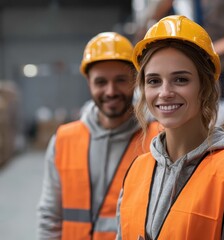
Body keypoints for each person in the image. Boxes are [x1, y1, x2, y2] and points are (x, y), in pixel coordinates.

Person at [116, 15, 224, 240]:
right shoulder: (136, 172)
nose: (165, 92)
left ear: (205, 87)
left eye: (180, 79)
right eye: (153, 81)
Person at [37, 32, 159, 239]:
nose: (111, 91)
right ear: (89, 83)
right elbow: (50, 216)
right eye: (101, 82)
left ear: (135, 81)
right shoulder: (64, 140)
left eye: (121, 80)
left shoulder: (157, 139)